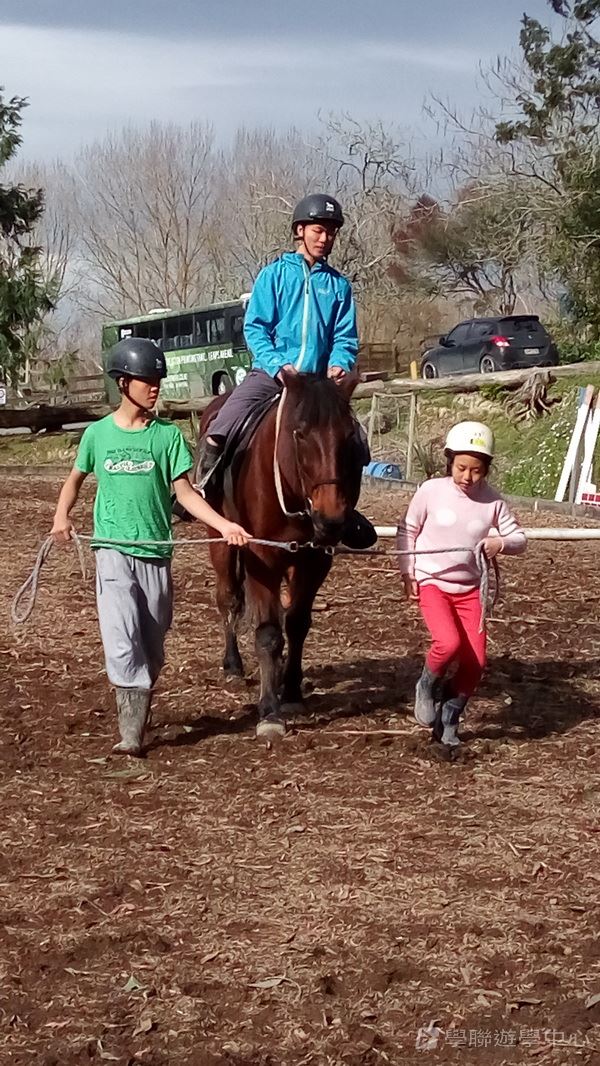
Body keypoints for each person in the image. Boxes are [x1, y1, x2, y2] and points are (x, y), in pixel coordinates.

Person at [51, 338, 251, 757]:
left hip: (156, 554)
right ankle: (131, 735)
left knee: (153, 644)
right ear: (123, 383)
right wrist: (61, 516)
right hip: (112, 550)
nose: (155, 387)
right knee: (121, 637)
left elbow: (187, 494)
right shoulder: (96, 435)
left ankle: (139, 695)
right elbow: (74, 482)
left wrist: (224, 524)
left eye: (158, 379)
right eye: (147, 380)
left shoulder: (167, 437)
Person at [196, 193, 376, 549]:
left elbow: (345, 335)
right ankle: (203, 487)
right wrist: (278, 365)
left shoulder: (338, 285)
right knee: (222, 425)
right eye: (318, 231)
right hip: (271, 374)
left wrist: (339, 361)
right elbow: (256, 327)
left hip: (318, 383)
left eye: (330, 233)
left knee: (356, 443)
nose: (325, 238)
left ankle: (346, 511)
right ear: (300, 231)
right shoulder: (274, 275)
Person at [396, 421, 526, 747]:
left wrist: (501, 544)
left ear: (487, 469)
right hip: (433, 582)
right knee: (448, 642)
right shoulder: (430, 491)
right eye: (461, 467)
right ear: (449, 462)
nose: (468, 477)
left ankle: (450, 717)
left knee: (476, 663)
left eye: (477, 470)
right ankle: (426, 685)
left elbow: (519, 539)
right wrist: (408, 571)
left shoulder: (493, 502)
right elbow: (407, 529)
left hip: (470, 589)